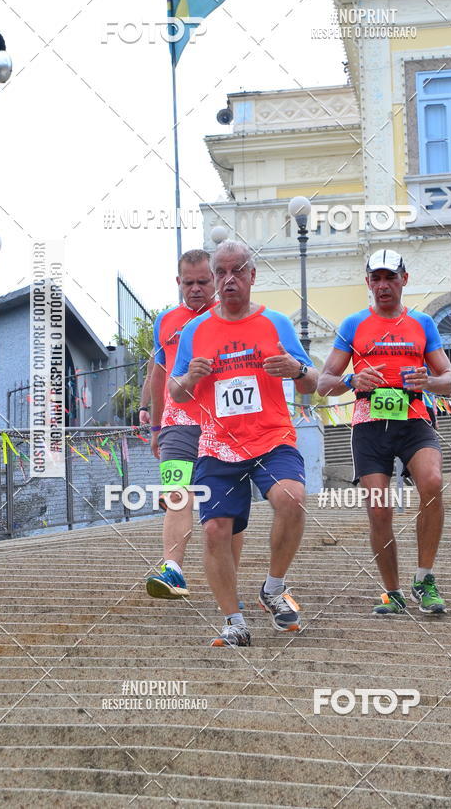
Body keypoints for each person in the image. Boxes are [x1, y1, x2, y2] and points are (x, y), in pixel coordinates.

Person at [168, 239, 318, 646]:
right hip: (218, 445)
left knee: (292, 497)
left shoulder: (276, 324)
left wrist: (296, 368)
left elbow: (314, 383)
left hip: (272, 438)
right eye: (221, 272)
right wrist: (191, 378)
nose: (228, 279)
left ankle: (272, 587)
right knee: (216, 529)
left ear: (252, 275)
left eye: (237, 271)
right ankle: (234, 621)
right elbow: (176, 393)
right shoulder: (196, 330)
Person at [317, 249, 451, 615]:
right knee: (379, 509)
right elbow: (324, 384)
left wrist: (431, 380)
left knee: (433, 482)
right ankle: (392, 592)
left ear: (403, 280)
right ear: (368, 283)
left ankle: (424, 578)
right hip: (369, 425)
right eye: (375, 278)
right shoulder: (353, 324)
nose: (382, 285)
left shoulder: (422, 322)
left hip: (414, 420)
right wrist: (350, 378)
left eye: (390, 277)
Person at [145, 249, 244, 600]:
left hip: (223, 423)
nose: (197, 289)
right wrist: (156, 427)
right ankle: (172, 570)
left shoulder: (234, 317)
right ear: (178, 283)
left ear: (215, 280)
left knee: (225, 505)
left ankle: (228, 584)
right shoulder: (166, 321)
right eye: (189, 283)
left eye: (204, 281)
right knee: (177, 493)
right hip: (178, 421)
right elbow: (158, 376)